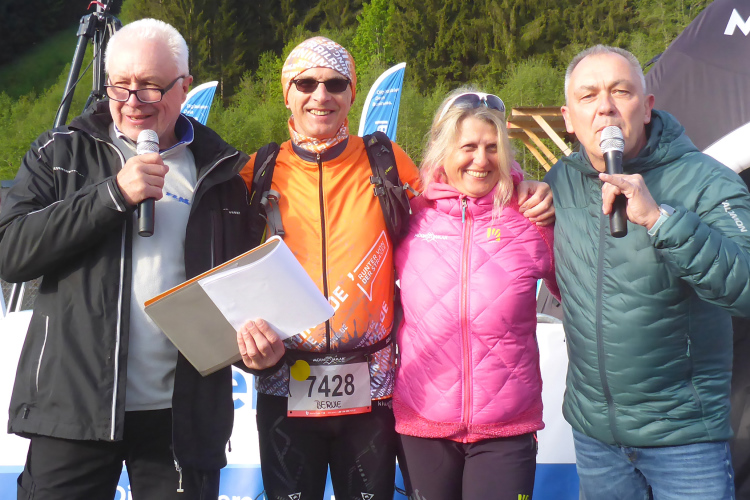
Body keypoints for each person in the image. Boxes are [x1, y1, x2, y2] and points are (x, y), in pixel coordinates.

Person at [233, 37, 555, 500]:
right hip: (286, 379)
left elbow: (457, 192)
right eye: (305, 83)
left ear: (351, 94)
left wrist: (522, 186)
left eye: (335, 84)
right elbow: (225, 269)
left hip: (373, 386)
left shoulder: (384, 161)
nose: (321, 95)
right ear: (287, 93)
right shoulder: (259, 170)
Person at [0, 19, 255, 500]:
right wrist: (113, 195)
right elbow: (10, 252)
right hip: (72, 409)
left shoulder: (222, 170)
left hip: (180, 421)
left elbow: (242, 288)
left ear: (184, 86)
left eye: (151, 86)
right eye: (120, 85)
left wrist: (257, 353)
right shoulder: (59, 151)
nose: (133, 101)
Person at [545, 44, 750, 500]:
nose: (605, 107)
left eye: (621, 91)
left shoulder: (706, 180)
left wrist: (661, 220)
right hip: (596, 439)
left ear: (647, 106)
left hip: (685, 439)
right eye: (588, 95)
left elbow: (746, 287)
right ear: (568, 117)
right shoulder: (559, 182)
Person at [392, 88, 559, 500]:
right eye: (468, 147)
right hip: (423, 423)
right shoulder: (409, 217)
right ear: (442, 150)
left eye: (492, 147)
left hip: (506, 428)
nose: (481, 160)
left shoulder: (532, 217)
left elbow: (582, 295)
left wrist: (558, 208)